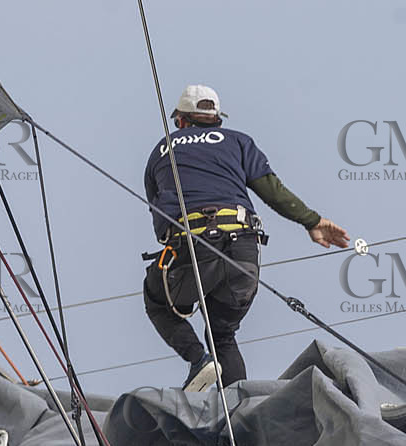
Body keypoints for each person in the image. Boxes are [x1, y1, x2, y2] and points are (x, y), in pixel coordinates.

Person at [143, 83, 350, 390]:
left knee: (157, 300)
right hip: (243, 248)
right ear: (216, 118)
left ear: (182, 120)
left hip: (192, 244)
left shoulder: (163, 148)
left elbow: (159, 214)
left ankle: (198, 360)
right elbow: (271, 190)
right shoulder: (238, 142)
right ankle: (240, 414)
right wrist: (313, 221)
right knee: (223, 335)